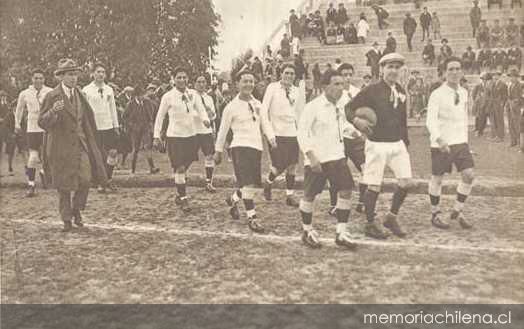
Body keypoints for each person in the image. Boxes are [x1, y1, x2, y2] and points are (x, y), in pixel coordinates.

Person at [346, 53, 412, 240]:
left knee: (406, 182)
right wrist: (357, 121)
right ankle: (370, 223)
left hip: (397, 143)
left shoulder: (400, 90)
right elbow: (348, 109)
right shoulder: (371, 90)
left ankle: (391, 217)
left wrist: (405, 141)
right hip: (376, 144)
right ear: (382, 69)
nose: (393, 71)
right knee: (374, 186)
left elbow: (402, 119)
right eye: (390, 67)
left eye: (397, 67)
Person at [38, 58, 108, 232]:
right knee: (63, 186)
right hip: (60, 148)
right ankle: (66, 219)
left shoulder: (80, 95)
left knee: (85, 179)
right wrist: (53, 111)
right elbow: (42, 122)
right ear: (61, 77)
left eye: (75, 74)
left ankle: (76, 209)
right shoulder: (52, 96)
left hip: (80, 144)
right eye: (69, 75)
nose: (73, 78)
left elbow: (86, 121)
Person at [297, 69, 358, 249]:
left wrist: (353, 131)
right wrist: (310, 155)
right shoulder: (313, 107)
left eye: (342, 84)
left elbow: (341, 125)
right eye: (336, 84)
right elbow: (302, 132)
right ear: (325, 87)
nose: (341, 87)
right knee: (310, 195)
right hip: (318, 159)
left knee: (346, 189)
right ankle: (307, 230)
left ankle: (341, 232)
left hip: (337, 156)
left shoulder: (341, 104)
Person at [426, 57, 474, 230]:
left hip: (460, 142)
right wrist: (439, 139)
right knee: (437, 179)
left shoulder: (464, 92)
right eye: (451, 69)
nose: (454, 72)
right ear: (445, 72)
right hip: (441, 143)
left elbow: (463, 120)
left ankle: (457, 210)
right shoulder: (437, 94)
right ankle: (435, 213)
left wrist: (466, 143)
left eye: (457, 69)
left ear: (461, 71)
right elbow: (430, 121)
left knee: (469, 175)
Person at [214, 70, 265, 234]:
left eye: (251, 81)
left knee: (252, 185)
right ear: (237, 84)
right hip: (239, 147)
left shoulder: (258, 104)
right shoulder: (231, 107)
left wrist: (272, 138)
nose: (249, 84)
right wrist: (218, 150)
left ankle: (233, 199)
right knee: (247, 184)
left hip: (256, 147)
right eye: (245, 81)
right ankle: (252, 217)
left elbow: (265, 124)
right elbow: (222, 130)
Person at [153, 67, 210, 212]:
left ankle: (179, 190)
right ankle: (184, 198)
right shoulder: (168, 96)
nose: (182, 80)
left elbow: (201, 109)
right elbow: (160, 116)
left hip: (191, 135)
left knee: (186, 166)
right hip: (175, 136)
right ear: (174, 79)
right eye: (179, 77)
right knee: (180, 167)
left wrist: (205, 119)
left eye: (184, 77)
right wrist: (156, 135)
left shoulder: (193, 94)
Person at [327, 63, 367, 216]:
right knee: (336, 170)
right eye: (344, 74)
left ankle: (362, 202)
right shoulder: (334, 94)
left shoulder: (357, 92)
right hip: (341, 139)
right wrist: (348, 129)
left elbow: (362, 113)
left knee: (366, 168)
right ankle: (333, 205)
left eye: (350, 74)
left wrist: (361, 129)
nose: (348, 78)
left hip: (356, 139)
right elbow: (335, 117)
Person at [260, 64, 303, 207]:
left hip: (292, 133)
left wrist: (301, 132)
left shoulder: (297, 91)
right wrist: (269, 134)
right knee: (278, 166)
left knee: (292, 165)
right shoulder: (272, 88)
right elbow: (263, 111)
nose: (289, 76)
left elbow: (300, 113)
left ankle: (289, 196)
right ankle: (268, 183)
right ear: (281, 74)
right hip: (276, 133)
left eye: (292, 74)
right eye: (286, 73)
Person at [82, 63, 120, 193]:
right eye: (98, 72)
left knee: (113, 153)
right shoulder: (86, 90)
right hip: (94, 127)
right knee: (97, 156)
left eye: (103, 72)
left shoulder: (109, 89)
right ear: (92, 73)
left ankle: (107, 178)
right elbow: (84, 110)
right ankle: (100, 182)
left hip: (108, 125)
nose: (101, 74)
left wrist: (116, 125)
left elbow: (113, 108)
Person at [14, 68, 53, 196]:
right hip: (32, 127)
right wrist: (17, 124)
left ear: (44, 79)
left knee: (47, 154)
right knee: (33, 156)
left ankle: (43, 172)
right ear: (32, 79)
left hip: (46, 126)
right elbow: (19, 110)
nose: (38, 80)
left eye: (41, 78)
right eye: (36, 78)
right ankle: (31, 184)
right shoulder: (25, 93)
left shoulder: (49, 91)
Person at [123, 86, 159, 175]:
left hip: (145, 128)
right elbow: (124, 117)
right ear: (136, 96)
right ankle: (133, 169)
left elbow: (153, 111)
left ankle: (152, 167)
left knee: (147, 147)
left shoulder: (147, 102)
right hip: (135, 130)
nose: (143, 97)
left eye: (143, 95)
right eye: (141, 95)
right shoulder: (130, 104)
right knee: (135, 149)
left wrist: (150, 123)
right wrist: (131, 125)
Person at [193, 74, 218, 192]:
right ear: (194, 84)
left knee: (209, 156)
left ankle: (209, 182)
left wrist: (211, 116)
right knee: (187, 158)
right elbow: (190, 113)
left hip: (206, 131)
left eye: (203, 82)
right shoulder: (190, 97)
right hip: (193, 131)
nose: (201, 84)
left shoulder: (209, 98)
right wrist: (202, 116)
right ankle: (181, 180)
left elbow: (214, 114)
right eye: (199, 82)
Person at [506, 69, 523, 148]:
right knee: (511, 124)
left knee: (517, 125)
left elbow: (521, 98)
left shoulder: (519, 85)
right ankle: (513, 141)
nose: (512, 78)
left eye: (513, 76)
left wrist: (515, 102)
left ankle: (520, 143)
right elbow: (508, 96)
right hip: (509, 107)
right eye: (511, 76)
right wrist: (508, 103)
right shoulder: (509, 84)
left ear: (516, 77)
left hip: (516, 108)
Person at [472, 72, 493, 136]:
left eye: (486, 79)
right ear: (482, 79)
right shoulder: (478, 86)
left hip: (486, 105)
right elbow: (473, 95)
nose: (485, 81)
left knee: (483, 118)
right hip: (479, 105)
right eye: (484, 79)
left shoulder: (489, 87)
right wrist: (477, 101)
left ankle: (481, 130)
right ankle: (478, 130)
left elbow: (490, 96)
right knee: (478, 118)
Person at [489, 71, 508, 142]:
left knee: (500, 120)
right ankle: (496, 135)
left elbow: (505, 96)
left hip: (499, 105)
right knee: (495, 120)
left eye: (496, 75)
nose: (494, 77)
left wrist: (502, 104)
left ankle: (501, 136)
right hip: (493, 104)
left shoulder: (503, 84)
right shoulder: (494, 84)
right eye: (494, 75)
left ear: (499, 76)